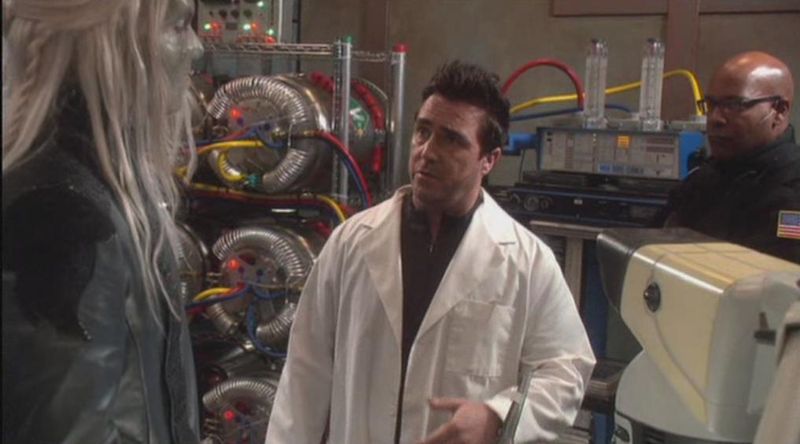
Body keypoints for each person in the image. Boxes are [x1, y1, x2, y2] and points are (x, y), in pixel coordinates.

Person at [266, 61, 595, 444]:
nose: (428, 151)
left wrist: (497, 416)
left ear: (489, 160)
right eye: (423, 131)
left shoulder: (527, 262)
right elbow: (304, 373)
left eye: (452, 140)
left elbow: (566, 372)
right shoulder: (350, 243)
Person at [2, 0, 204, 442]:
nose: (196, 48)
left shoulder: (97, 190)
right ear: (109, 39)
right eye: (178, 25)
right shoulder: (59, 213)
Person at [663, 51, 800, 263]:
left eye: (734, 105)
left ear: (779, 110)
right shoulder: (703, 180)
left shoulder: (791, 191)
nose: (715, 118)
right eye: (711, 105)